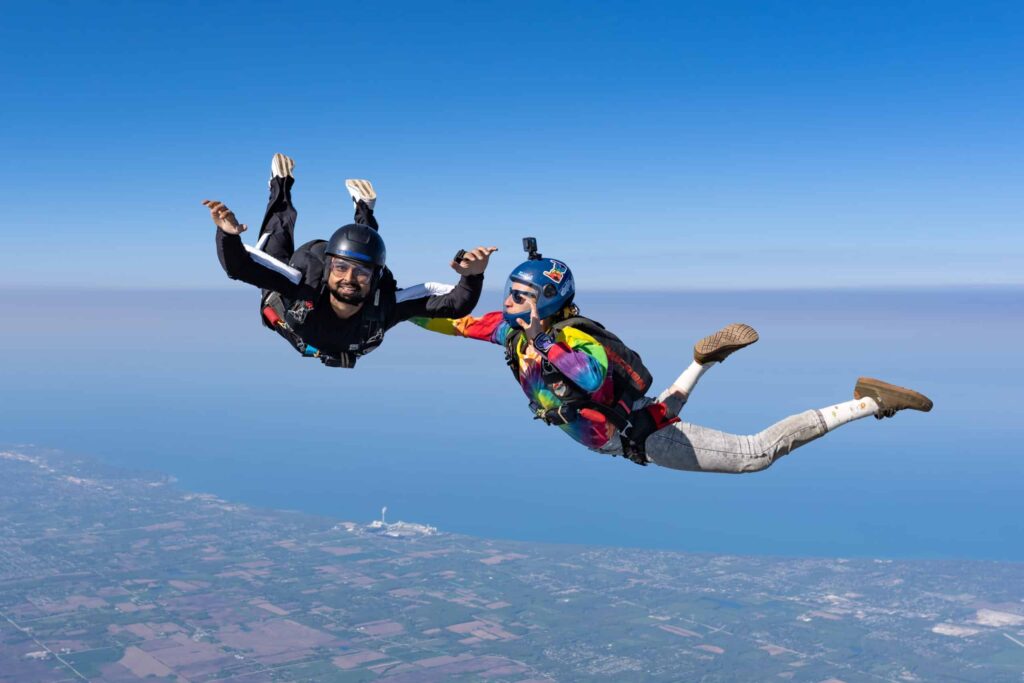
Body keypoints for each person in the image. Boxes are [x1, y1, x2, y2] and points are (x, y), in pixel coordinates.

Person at [413, 239, 933, 472]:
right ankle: (704, 360)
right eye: (509, 294)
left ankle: (867, 402)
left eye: (519, 297)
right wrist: (385, 308)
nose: (507, 303)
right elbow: (449, 320)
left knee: (755, 455)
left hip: (635, 437)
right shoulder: (510, 331)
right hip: (633, 420)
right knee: (661, 409)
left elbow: (592, 378)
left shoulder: (570, 340)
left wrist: (546, 342)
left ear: (545, 302)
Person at [205, 154, 496, 368]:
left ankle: (364, 212)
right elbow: (240, 266)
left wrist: (472, 275)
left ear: (374, 278)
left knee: (367, 249)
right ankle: (280, 184)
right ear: (329, 268)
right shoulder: (302, 284)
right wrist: (227, 235)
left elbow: (455, 304)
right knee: (275, 238)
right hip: (299, 277)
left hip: (322, 321)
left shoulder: (386, 303)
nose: (348, 278)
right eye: (341, 268)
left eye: (361, 273)